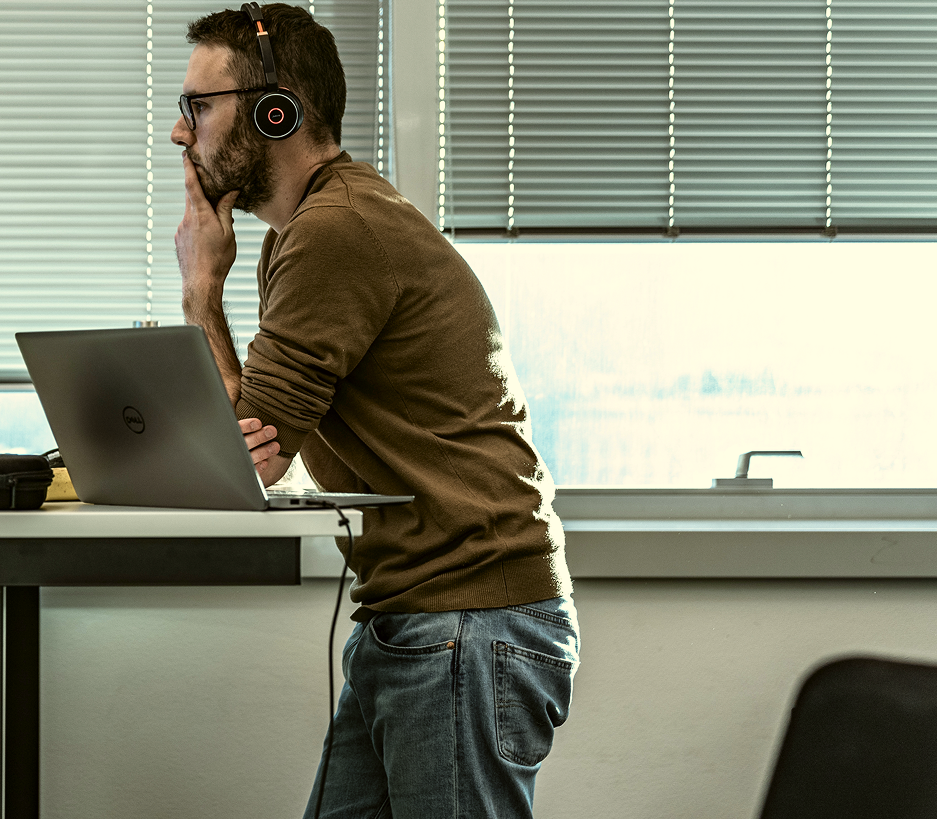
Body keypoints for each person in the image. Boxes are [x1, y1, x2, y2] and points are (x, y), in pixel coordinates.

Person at [170, 5, 579, 817]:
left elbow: (246, 456)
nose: (181, 135)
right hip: (424, 616)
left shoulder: (336, 231)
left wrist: (200, 290)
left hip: (465, 617)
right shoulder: (312, 230)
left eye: (198, 106)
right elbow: (253, 432)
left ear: (274, 113)